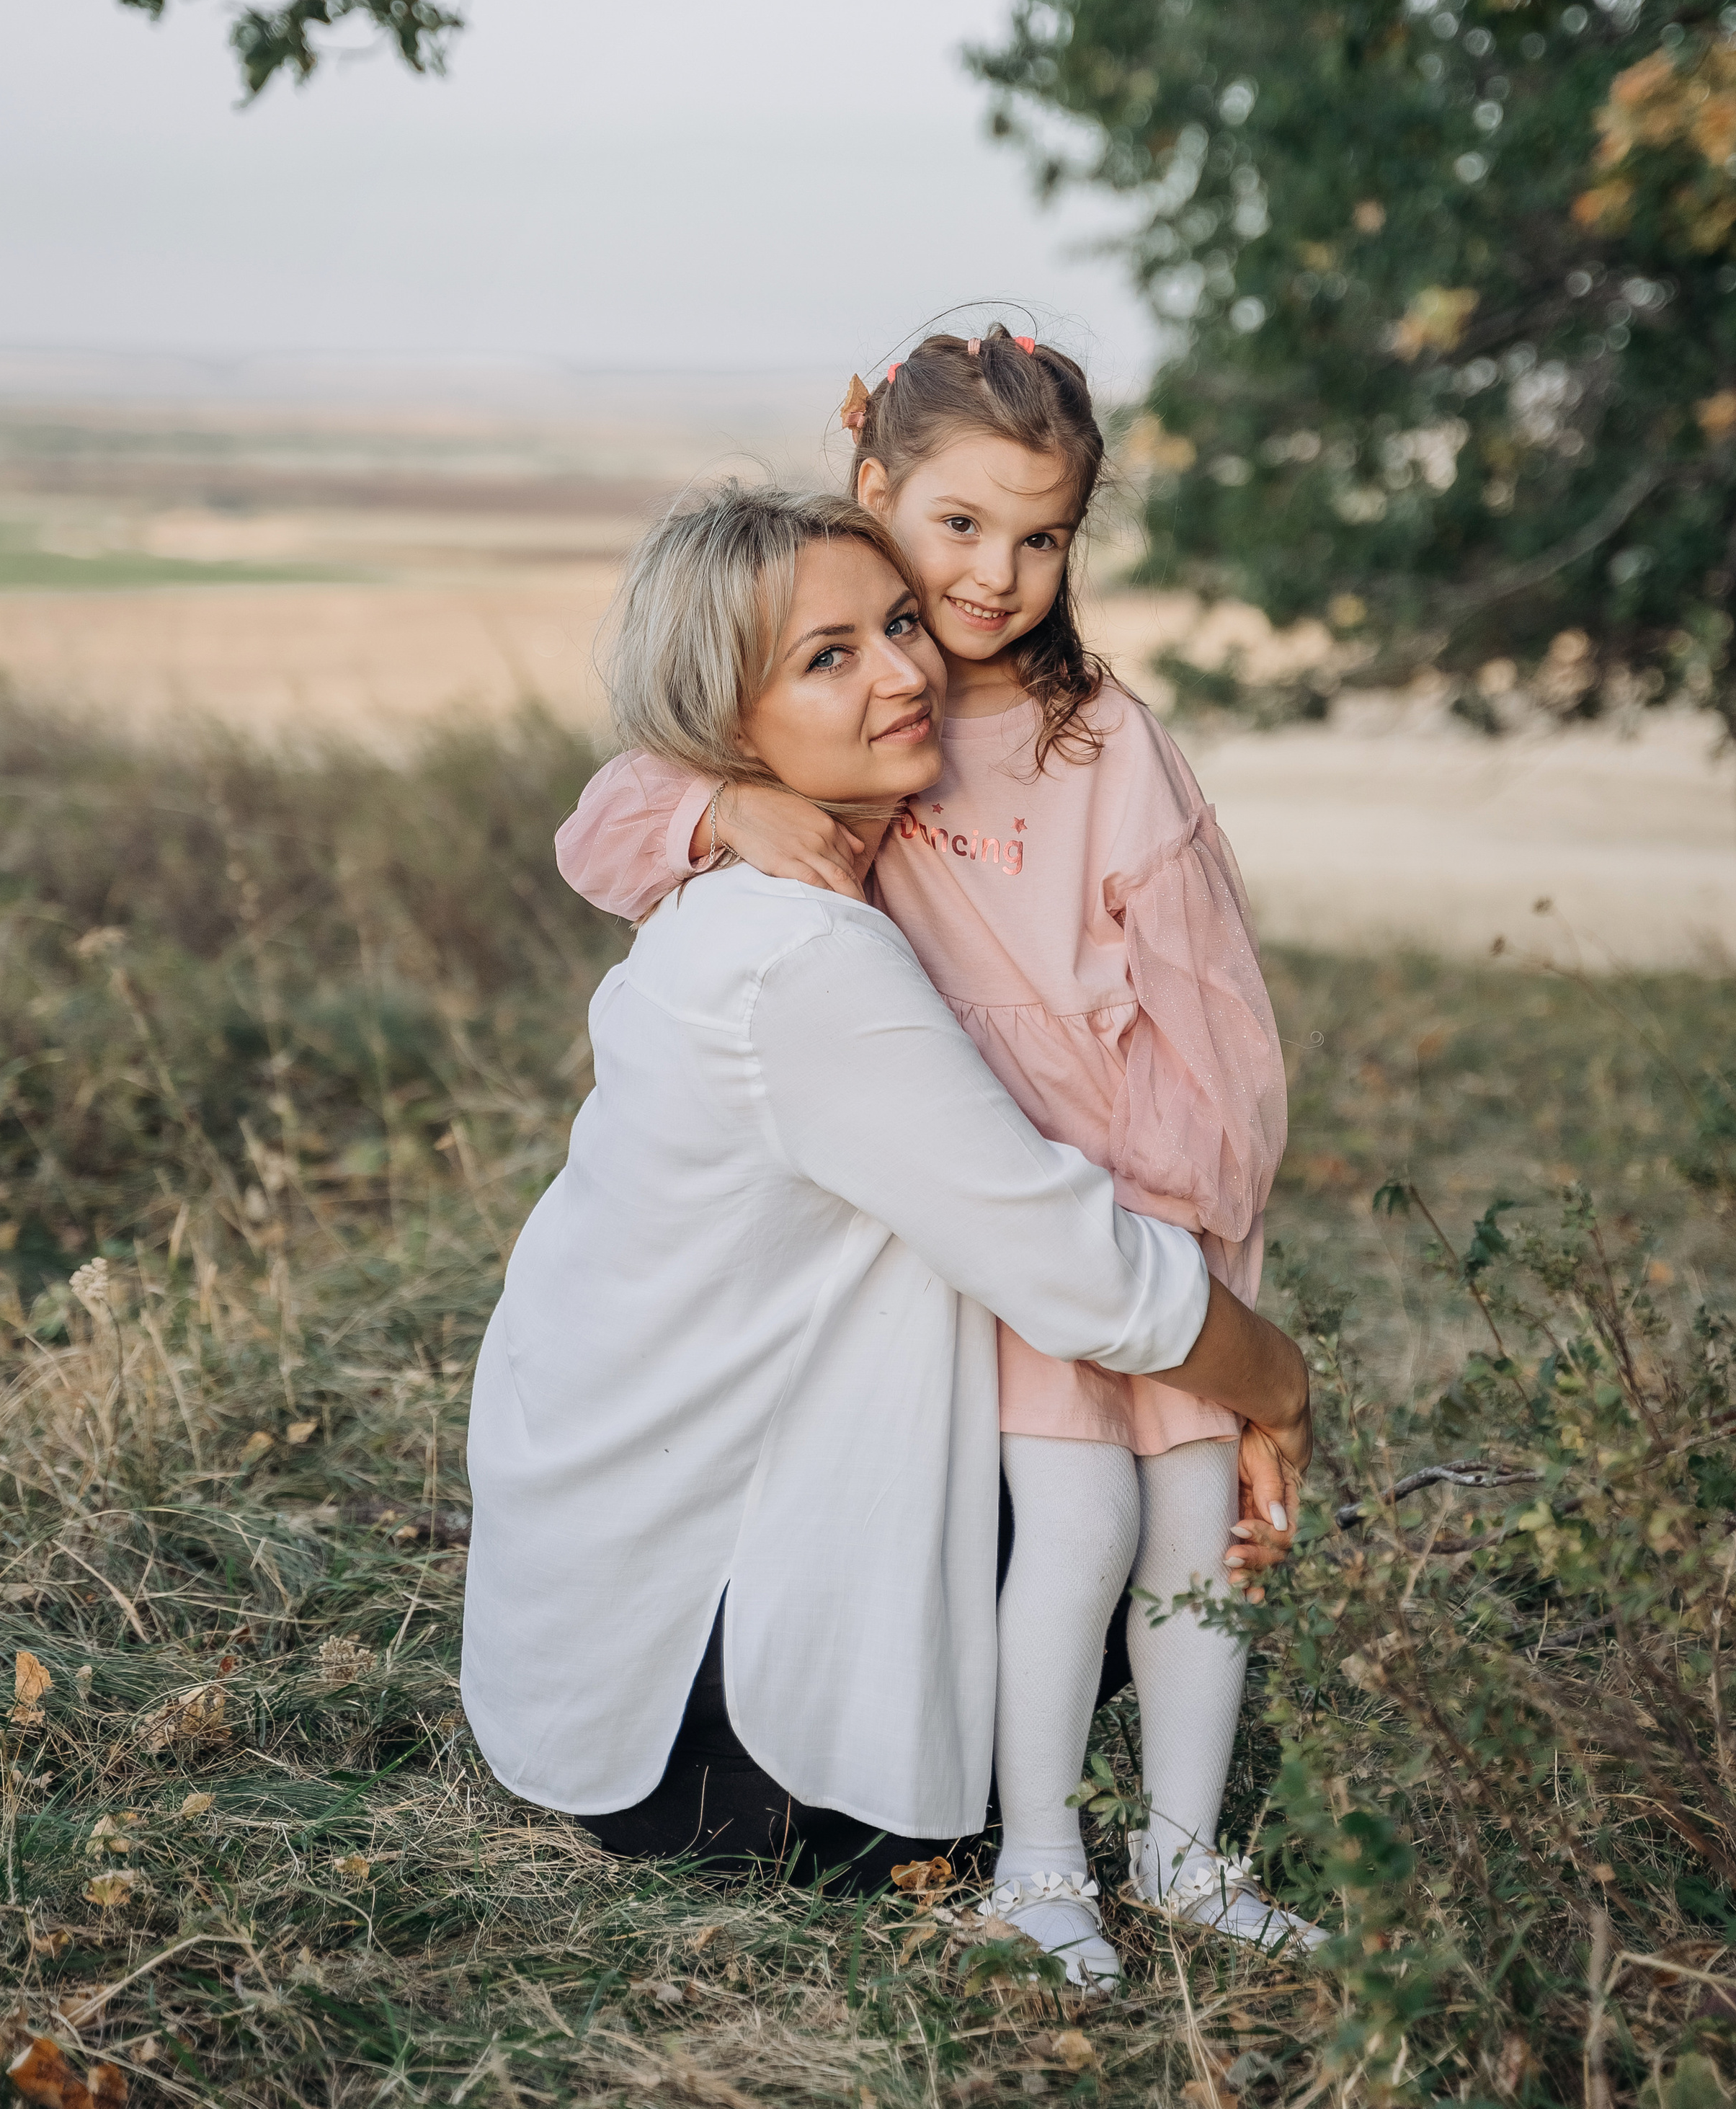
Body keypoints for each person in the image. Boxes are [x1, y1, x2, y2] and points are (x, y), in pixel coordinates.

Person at [556, 332, 1319, 1978]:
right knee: (1077, 1531)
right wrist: (710, 815)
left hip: (1146, 1203)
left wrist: (1204, 1251)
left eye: (1039, 540)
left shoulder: (1090, 736)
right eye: (955, 533)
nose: (988, 583)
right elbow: (599, 822)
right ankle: (1040, 1859)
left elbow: (1208, 1012)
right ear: (876, 494)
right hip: (1013, 1231)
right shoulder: (825, 721)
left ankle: (1185, 1859)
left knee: (1193, 1534)